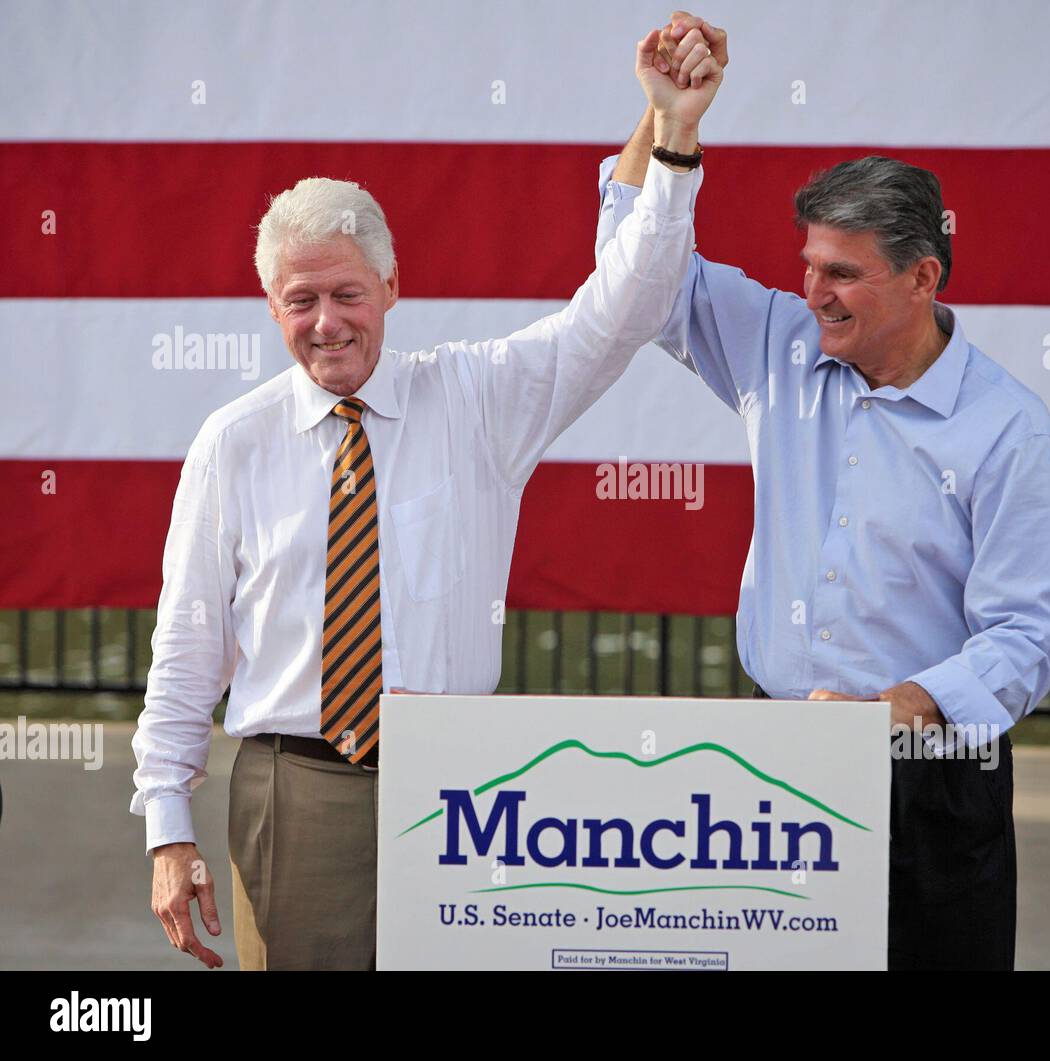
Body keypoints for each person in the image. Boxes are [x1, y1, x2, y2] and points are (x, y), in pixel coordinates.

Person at [129, 26, 724, 971]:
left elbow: (627, 307)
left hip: (465, 790)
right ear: (271, 308)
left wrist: (672, 133)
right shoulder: (232, 443)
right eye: (300, 301)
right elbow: (188, 644)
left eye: (348, 294)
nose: (326, 323)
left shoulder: (479, 396)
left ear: (393, 288)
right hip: (299, 797)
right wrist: (167, 823)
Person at [596, 13, 1050, 970]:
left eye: (843, 273)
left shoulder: (1009, 428)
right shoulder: (778, 344)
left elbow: (1030, 635)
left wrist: (903, 708)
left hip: (930, 785)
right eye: (808, 264)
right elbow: (635, 269)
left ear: (923, 277)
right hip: (777, 763)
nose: (811, 290)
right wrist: (667, 124)